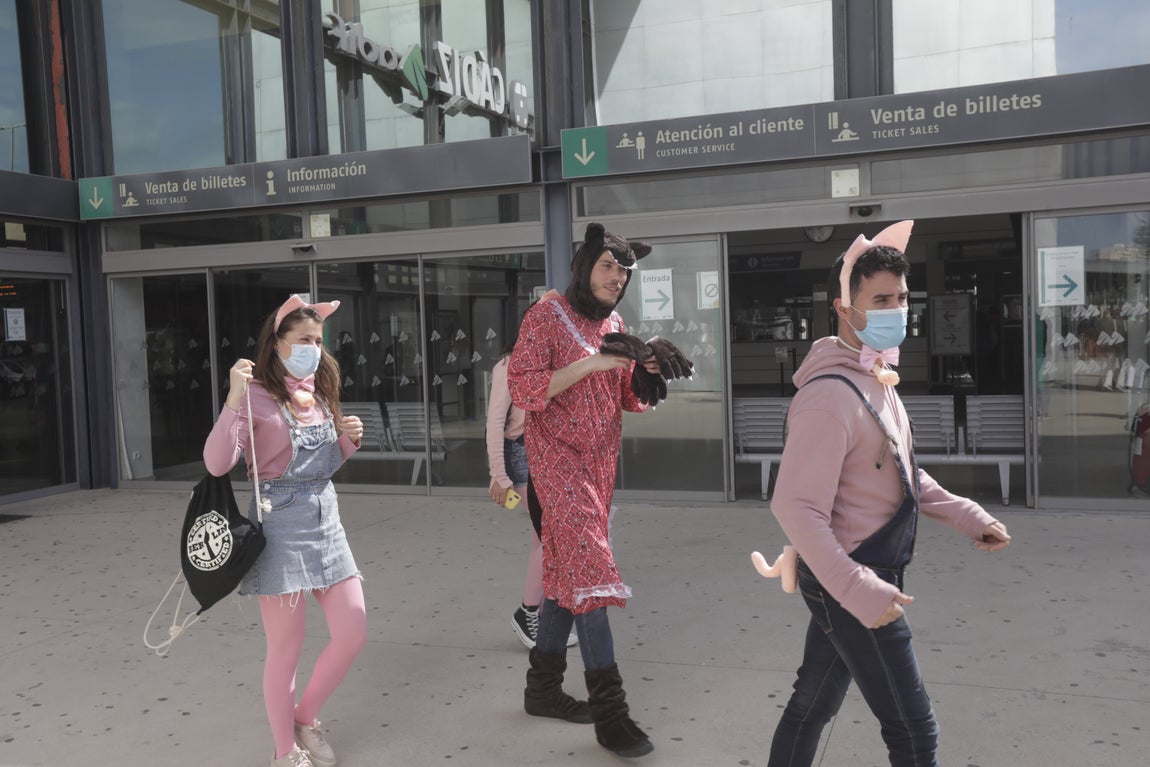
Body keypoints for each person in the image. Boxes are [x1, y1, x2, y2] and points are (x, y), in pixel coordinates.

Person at [765, 221, 1012, 767]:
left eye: (901, 298)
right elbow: (795, 507)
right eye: (881, 300)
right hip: (851, 576)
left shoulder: (877, 379)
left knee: (810, 706)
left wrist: (969, 515)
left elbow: (904, 475)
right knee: (915, 731)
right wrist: (858, 589)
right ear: (844, 309)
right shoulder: (829, 398)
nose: (897, 310)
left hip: (862, 574)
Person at [507, 223, 692, 758]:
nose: (617, 278)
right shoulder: (545, 317)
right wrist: (595, 361)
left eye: (624, 271)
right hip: (556, 468)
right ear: (585, 265)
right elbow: (525, 389)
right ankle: (611, 714)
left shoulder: (614, 324)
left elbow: (628, 400)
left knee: (566, 576)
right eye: (608, 266)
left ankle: (542, 689)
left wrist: (645, 372)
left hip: (599, 471)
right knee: (590, 574)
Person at [204, 294, 368, 767]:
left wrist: (348, 441)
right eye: (303, 340)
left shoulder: (317, 391)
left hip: (326, 522)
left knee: (353, 631)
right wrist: (232, 400)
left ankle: (304, 717)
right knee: (286, 650)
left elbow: (321, 467)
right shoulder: (254, 395)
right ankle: (284, 751)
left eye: (317, 341)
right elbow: (217, 462)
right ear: (276, 342)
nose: (312, 349)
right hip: (279, 528)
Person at [486, 334, 578, 650]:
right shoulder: (509, 365)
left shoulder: (554, 364)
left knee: (544, 538)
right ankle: (528, 613)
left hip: (549, 454)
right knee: (548, 536)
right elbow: (495, 422)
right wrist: (499, 475)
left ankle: (538, 613)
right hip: (522, 455)